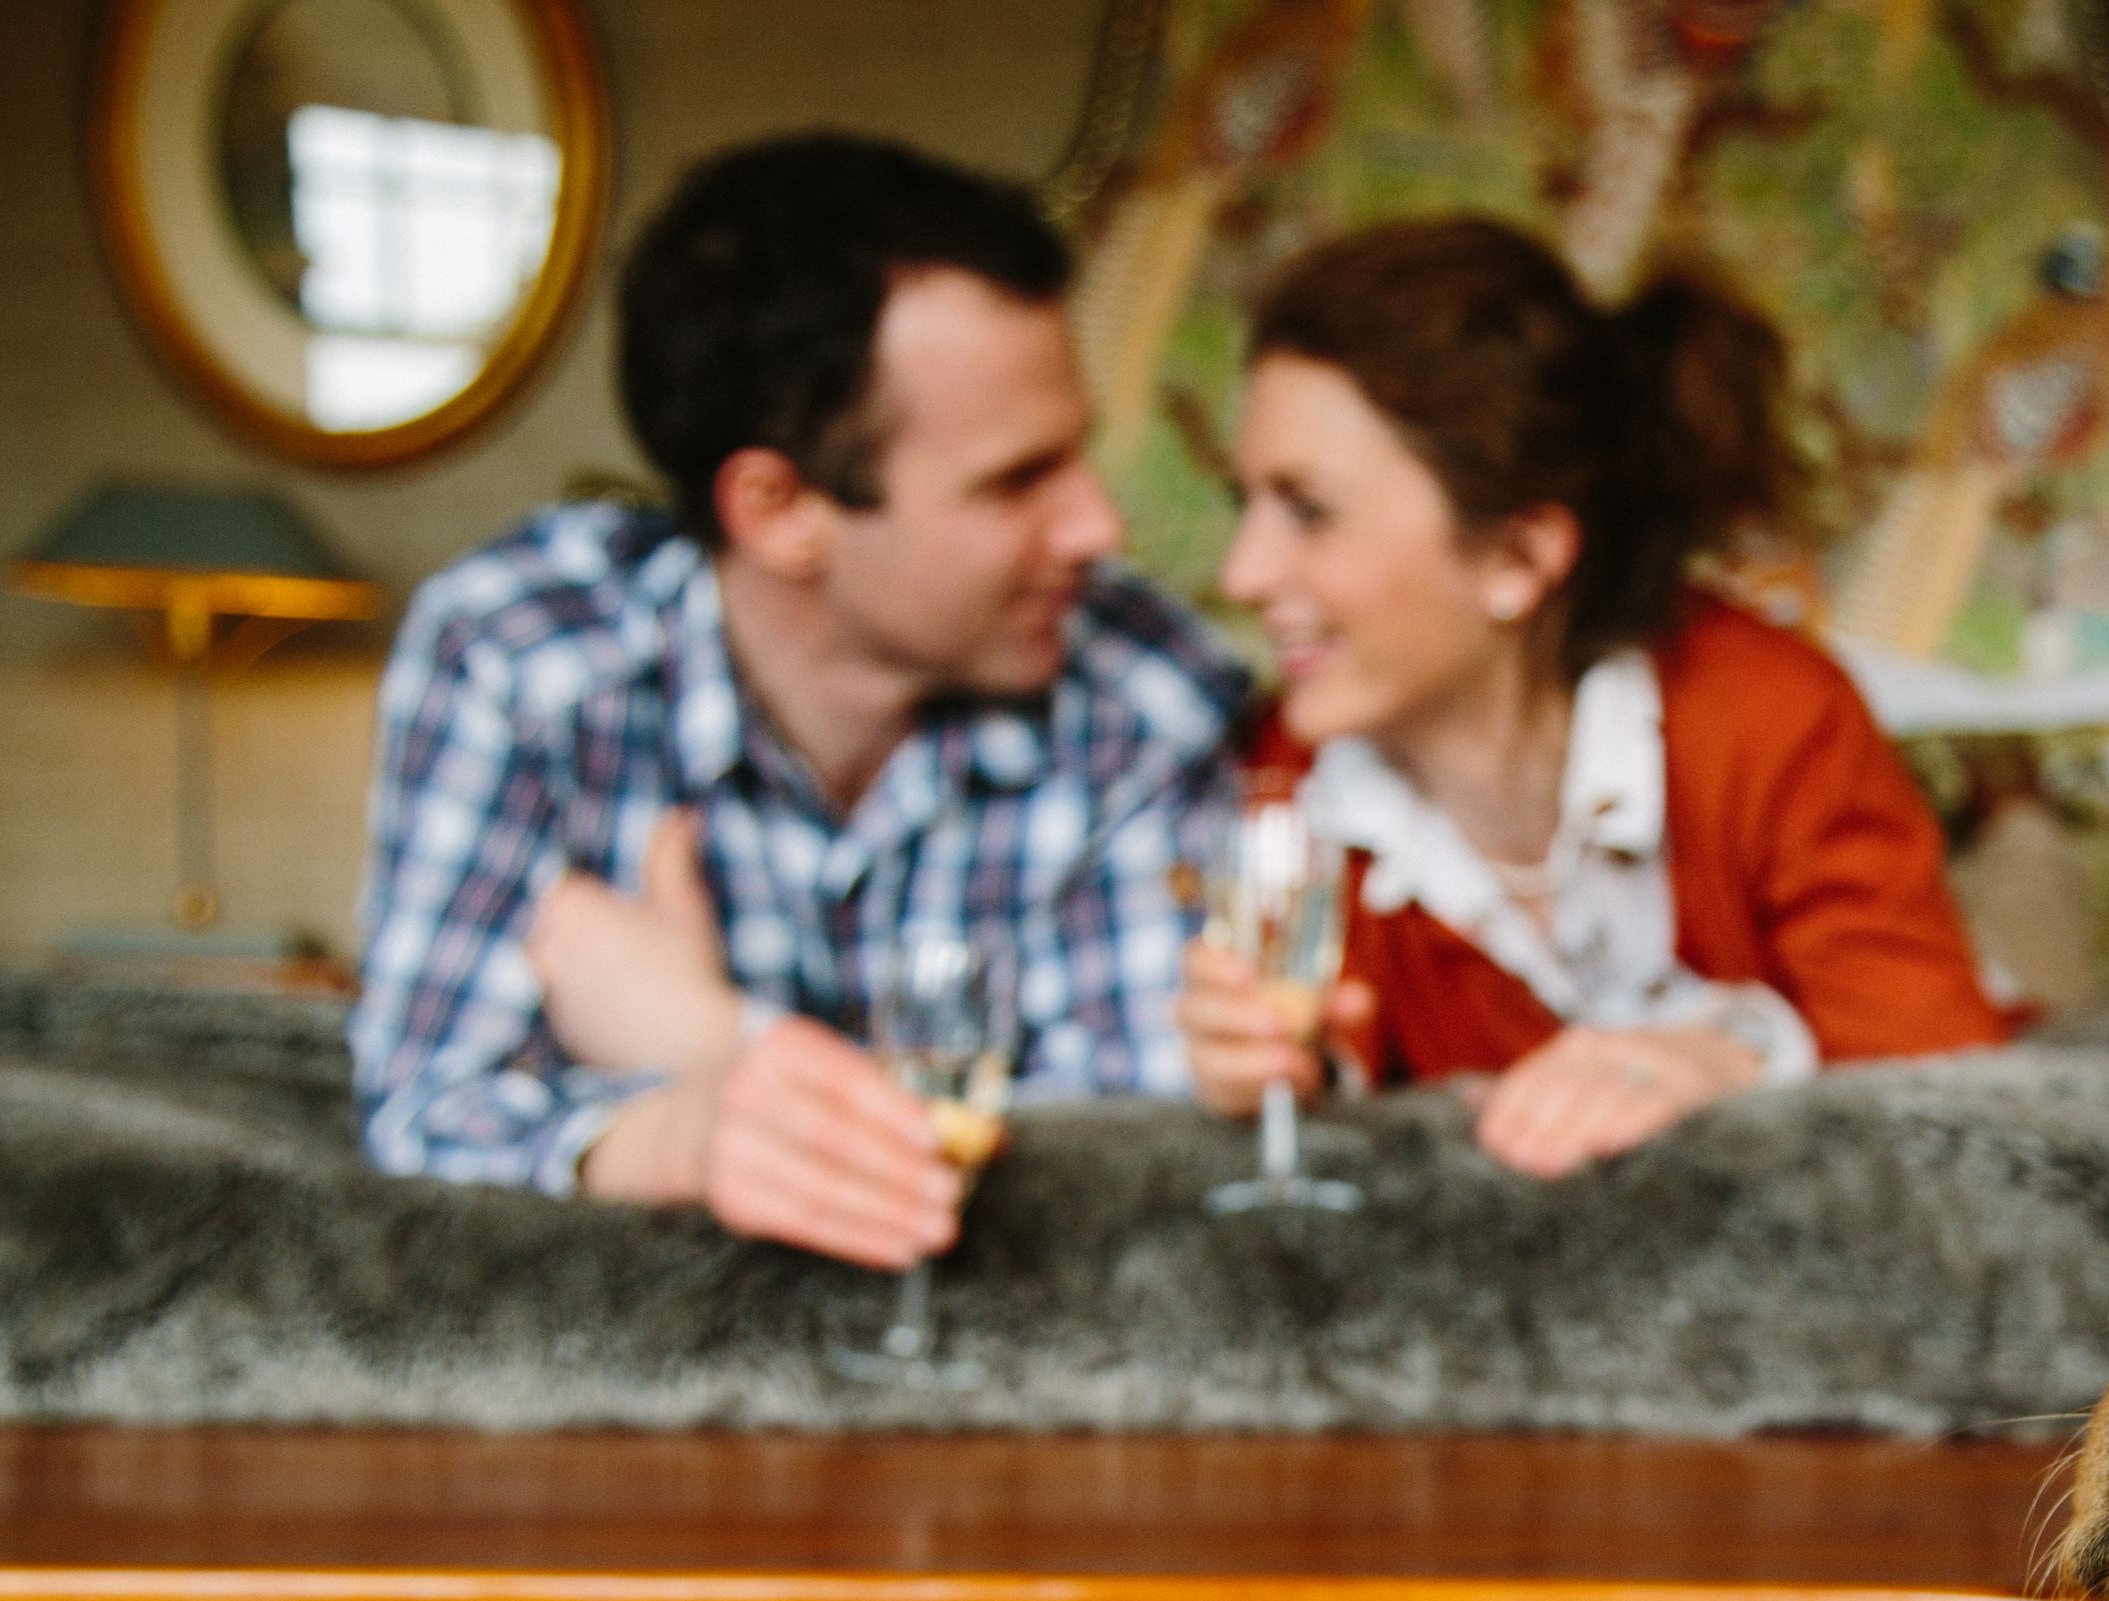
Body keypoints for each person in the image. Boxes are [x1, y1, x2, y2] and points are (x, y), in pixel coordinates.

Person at [349, 133, 1249, 1268]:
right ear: (778, 509)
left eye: (1076, 457)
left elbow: (1137, 1167)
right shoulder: (520, 664)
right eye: (1018, 479)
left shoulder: (1142, 696)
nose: (1097, 529)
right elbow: (429, 1108)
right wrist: (677, 1136)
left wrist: (706, 1039)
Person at [1182, 217, 2004, 1179]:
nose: (1241, 574)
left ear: (1517, 558)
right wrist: (1287, 1071)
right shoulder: (1293, 773)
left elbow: (1952, 1090)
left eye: (1308, 511)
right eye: (1247, 506)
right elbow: (1362, 1099)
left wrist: (1724, 1054)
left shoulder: (1768, 716)